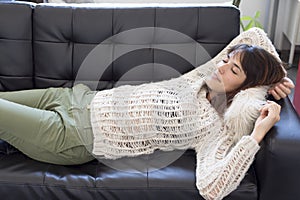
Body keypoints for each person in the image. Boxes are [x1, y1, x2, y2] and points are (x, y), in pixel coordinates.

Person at [0, 41, 294, 199]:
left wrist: (255, 134)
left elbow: (212, 188)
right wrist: (274, 77)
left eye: (234, 71)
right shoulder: (199, 79)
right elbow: (253, 34)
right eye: (226, 59)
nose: (221, 67)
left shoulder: (214, 130)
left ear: (243, 89)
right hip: (70, 98)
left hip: (69, 135)